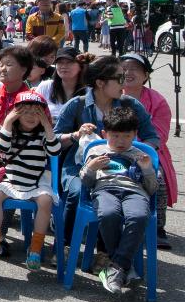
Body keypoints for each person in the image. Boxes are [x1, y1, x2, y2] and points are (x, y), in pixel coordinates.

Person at [53, 55, 159, 250]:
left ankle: (105, 252)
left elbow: (152, 137)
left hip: (121, 169)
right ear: (100, 82)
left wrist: (141, 154)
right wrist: (76, 135)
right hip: (80, 167)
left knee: (116, 199)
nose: (124, 83)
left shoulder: (130, 105)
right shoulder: (77, 105)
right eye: (119, 78)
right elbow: (54, 140)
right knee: (77, 192)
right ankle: (64, 246)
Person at [77, 107, 159, 295]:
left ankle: (116, 267)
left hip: (135, 192)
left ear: (135, 135)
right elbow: (86, 183)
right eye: (115, 136)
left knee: (138, 216)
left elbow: (152, 189)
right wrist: (90, 168)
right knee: (108, 214)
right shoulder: (96, 150)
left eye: (126, 136)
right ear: (105, 134)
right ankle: (123, 267)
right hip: (105, 190)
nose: (120, 141)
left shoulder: (139, 154)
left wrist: (147, 170)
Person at [0, 90, 61, 269]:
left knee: (46, 201)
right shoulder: (11, 132)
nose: (31, 117)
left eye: (36, 113)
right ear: (16, 113)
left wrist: (48, 126)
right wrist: (7, 122)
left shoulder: (42, 136)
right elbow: (0, 147)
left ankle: (36, 248)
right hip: (13, 180)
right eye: (25, 112)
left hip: (36, 183)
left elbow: (55, 151)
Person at [120, 52, 176, 246]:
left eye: (134, 69)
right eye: (124, 68)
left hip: (147, 151)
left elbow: (159, 135)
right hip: (113, 148)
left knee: (156, 177)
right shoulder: (112, 95)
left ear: (146, 75)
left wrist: (137, 151)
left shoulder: (157, 101)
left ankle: (157, 227)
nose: (128, 73)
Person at [35, 47, 90, 120]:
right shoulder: (45, 86)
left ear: (80, 66)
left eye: (69, 62)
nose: (64, 66)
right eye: (60, 62)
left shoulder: (89, 91)